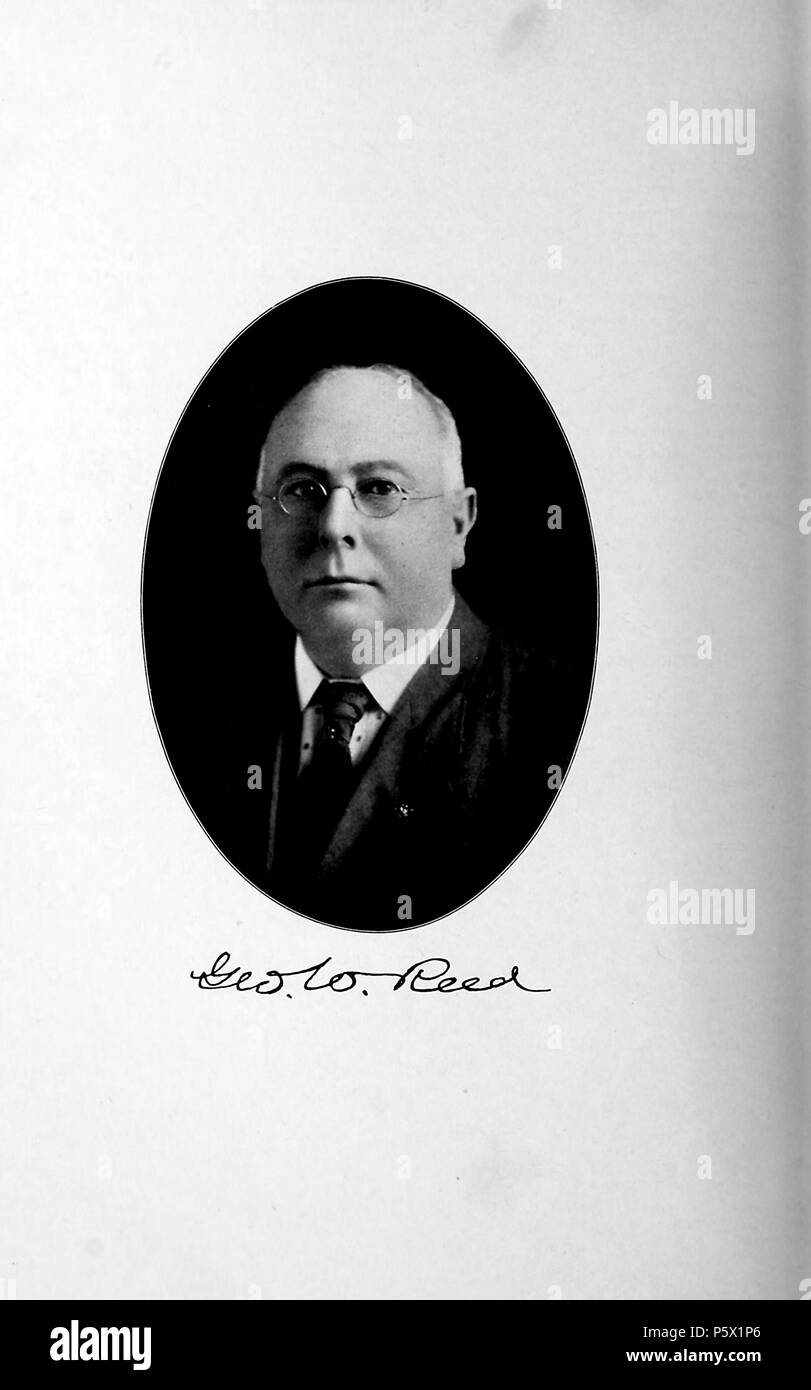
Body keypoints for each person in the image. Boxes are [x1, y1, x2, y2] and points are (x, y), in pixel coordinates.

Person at [238, 362, 580, 930]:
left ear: (458, 524)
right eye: (301, 490)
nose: (333, 526)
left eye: (379, 489)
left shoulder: (554, 721)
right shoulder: (192, 722)